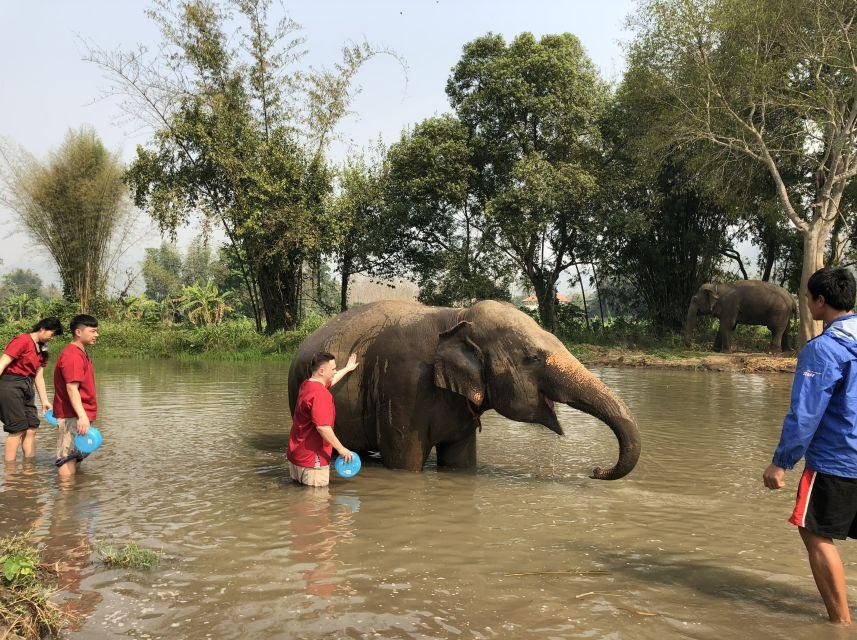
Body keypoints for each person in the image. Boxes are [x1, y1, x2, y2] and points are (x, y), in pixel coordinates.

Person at [763, 267, 857, 625]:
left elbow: (805, 415)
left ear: (821, 301)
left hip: (839, 459)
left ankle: (841, 624)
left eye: (807, 297)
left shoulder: (823, 350)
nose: (805, 303)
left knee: (814, 531)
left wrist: (781, 463)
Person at [287, 351, 359, 487]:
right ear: (321, 371)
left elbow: (331, 380)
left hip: (296, 457)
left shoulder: (307, 385)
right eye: (333, 369)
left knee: (300, 502)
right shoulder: (321, 395)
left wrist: (347, 369)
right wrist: (342, 449)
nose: (334, 371)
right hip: (313, 461)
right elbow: (323, 427)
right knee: (318, 505)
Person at [0, 317, 63, 462]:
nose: (52, 338)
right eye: (52, 334)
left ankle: (29, 469)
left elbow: (38, 377)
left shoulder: (42, 348)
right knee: (17, 429)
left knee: (31, 427)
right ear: (42, 328)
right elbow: (2, 363)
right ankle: (11, 472)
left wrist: (45, 401)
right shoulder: (22, 340)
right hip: (10, 385)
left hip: (27, 386)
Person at [53, 315, 99, 478]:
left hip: (80, 414)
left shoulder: (81, 352)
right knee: (67, 458)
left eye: (96, 331)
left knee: (76, 455)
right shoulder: (72, 355)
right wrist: (82, 416)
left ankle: (74, 494)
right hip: (73, 415)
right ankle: (65, 500)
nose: (96, 335)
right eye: (92, 331)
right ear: (78, 332)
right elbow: (72, 388)